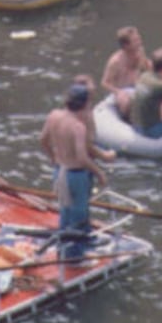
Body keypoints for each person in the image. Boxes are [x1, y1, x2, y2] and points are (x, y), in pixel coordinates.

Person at [39, 83, 110, 254]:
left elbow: (42, 139)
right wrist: (99, 172)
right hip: (76, 175)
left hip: (60, 169)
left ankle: (63, 246)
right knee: (79, 212)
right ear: (86, 104)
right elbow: (82, 157)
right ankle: (75, 255)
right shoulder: (77, 126)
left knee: (65, 210)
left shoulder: (53, 116)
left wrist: (53, 158)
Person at [102, 27, 150, 116]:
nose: (140, 42)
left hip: (136, 87)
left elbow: (148, 69)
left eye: (139, 39)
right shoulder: (115, 61)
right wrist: (118, 92)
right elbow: (105, 83)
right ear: (126, 45)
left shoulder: (140, 52)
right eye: (135, 41)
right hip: (121, 90)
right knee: (125, 102)